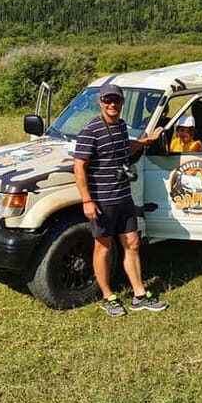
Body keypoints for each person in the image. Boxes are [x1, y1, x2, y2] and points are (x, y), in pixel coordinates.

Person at [73, 83, 169, 316]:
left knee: (133, 244)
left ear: (122, 102)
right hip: (102, 200)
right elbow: (79, 166)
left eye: (116, 100)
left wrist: (147, 141)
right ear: (100, 102)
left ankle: (139, 294)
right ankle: (108, 296)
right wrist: (87, 200)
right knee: (103, 246)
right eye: (107, 100)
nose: (112, 104)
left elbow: (125, 147)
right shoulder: (91, 130)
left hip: (124, 196)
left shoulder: (121, 126)